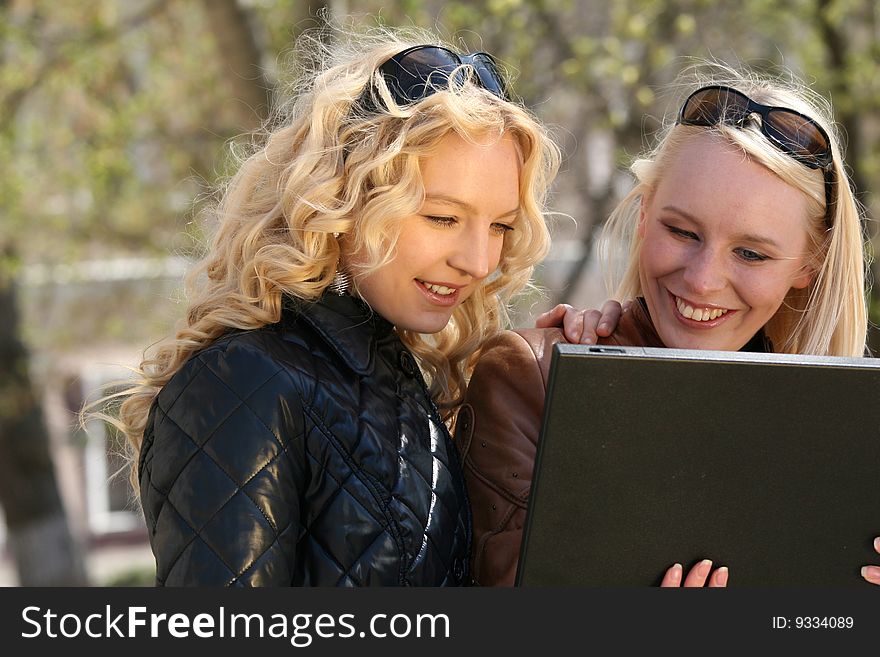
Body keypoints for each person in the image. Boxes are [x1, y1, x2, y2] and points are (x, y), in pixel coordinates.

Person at [107, 26, 563, 586]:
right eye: (442, 217)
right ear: (342, 195)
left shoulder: (403, 383)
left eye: (500, 226)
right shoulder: (244, 382)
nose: (476, 260)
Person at [457, 68, 874, 587]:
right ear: (644, 214)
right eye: (681, 231)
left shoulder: (851, 434)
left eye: (750, 253)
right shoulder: (538, 379)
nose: (702, 281)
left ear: (807, 264)